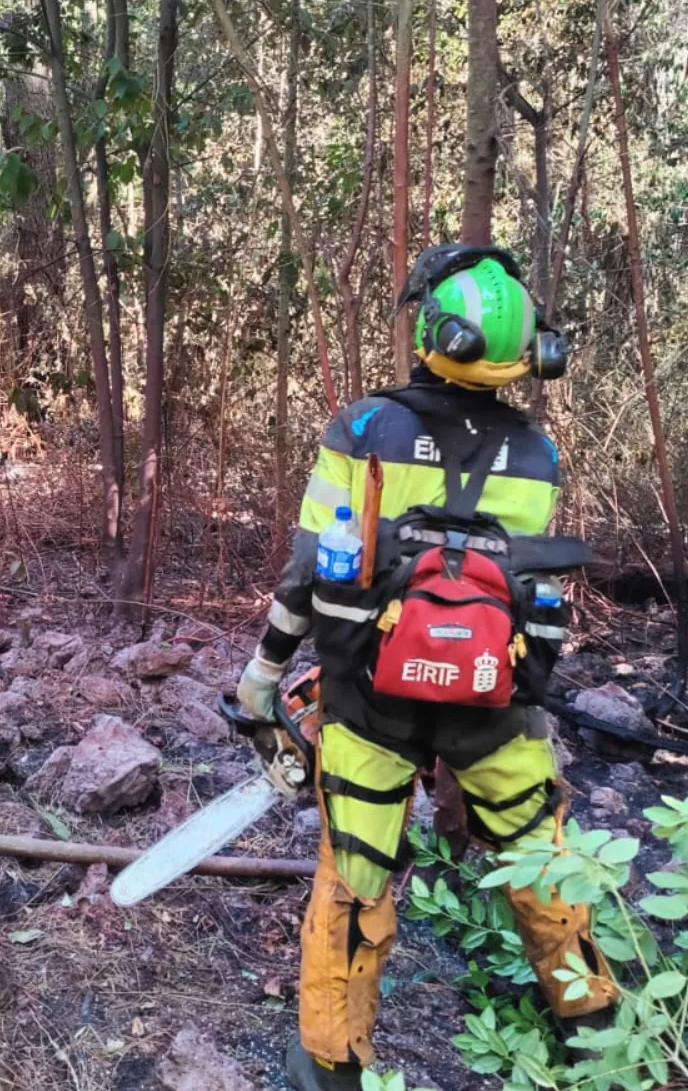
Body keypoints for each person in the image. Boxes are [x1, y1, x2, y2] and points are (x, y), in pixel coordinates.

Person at [236, 245, 614, 1090]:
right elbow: (527, 587)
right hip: (495, 700)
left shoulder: (361, 429)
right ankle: (593, 1030)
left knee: (355, 871)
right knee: (540, 855)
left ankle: (331, 1063)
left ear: (436, 330)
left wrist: (264, 673)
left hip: (368, 697)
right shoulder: (538, 454)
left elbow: (308, 571)